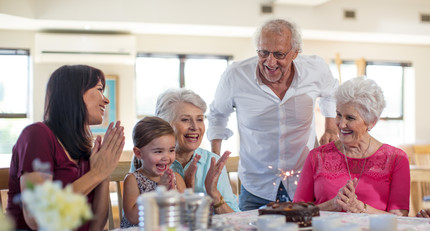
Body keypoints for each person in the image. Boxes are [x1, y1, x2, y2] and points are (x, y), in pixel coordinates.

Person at [207, 18, 339, 211]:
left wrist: (330, 127)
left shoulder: (315, 69)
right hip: (256, 187)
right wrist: (214, 157)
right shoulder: (235, 75)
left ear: (295, 52)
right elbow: (217, 115)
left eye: (279, 54)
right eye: (263, 52)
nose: (270, 61)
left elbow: (332, 94)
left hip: (304, 183)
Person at [7, 65, 125, 231]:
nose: (106, 100)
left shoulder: (84, 149)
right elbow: (36, 218)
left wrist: (104, 171)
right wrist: (96, 174)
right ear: (75, 93)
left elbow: (96, 226)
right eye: (100, 89)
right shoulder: (37, 135)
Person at [293, 77, 410, 216]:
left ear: (371, 122)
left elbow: (400, 218)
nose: (341, 125)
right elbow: (297, 212)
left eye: (350, 118)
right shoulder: (316, 156)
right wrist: (332, 205)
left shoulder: (396, 159)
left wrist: (360, 208)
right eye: (339, 115)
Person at [152, 88, 239, 213]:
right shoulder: (148, 160)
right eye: (185, 120)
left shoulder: (212, 161)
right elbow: (138, 218)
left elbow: (235, 218)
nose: (195, 127)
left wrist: (214, 194)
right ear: (165, 124)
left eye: (199, 119)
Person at [121, 117, 186, 228]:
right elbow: (133, 217)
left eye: (171, 150)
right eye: (158, 151)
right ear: (138, 153)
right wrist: (159, 191)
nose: (166, 157)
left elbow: (184, 212)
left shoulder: (176, 178)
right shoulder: (133, 180)